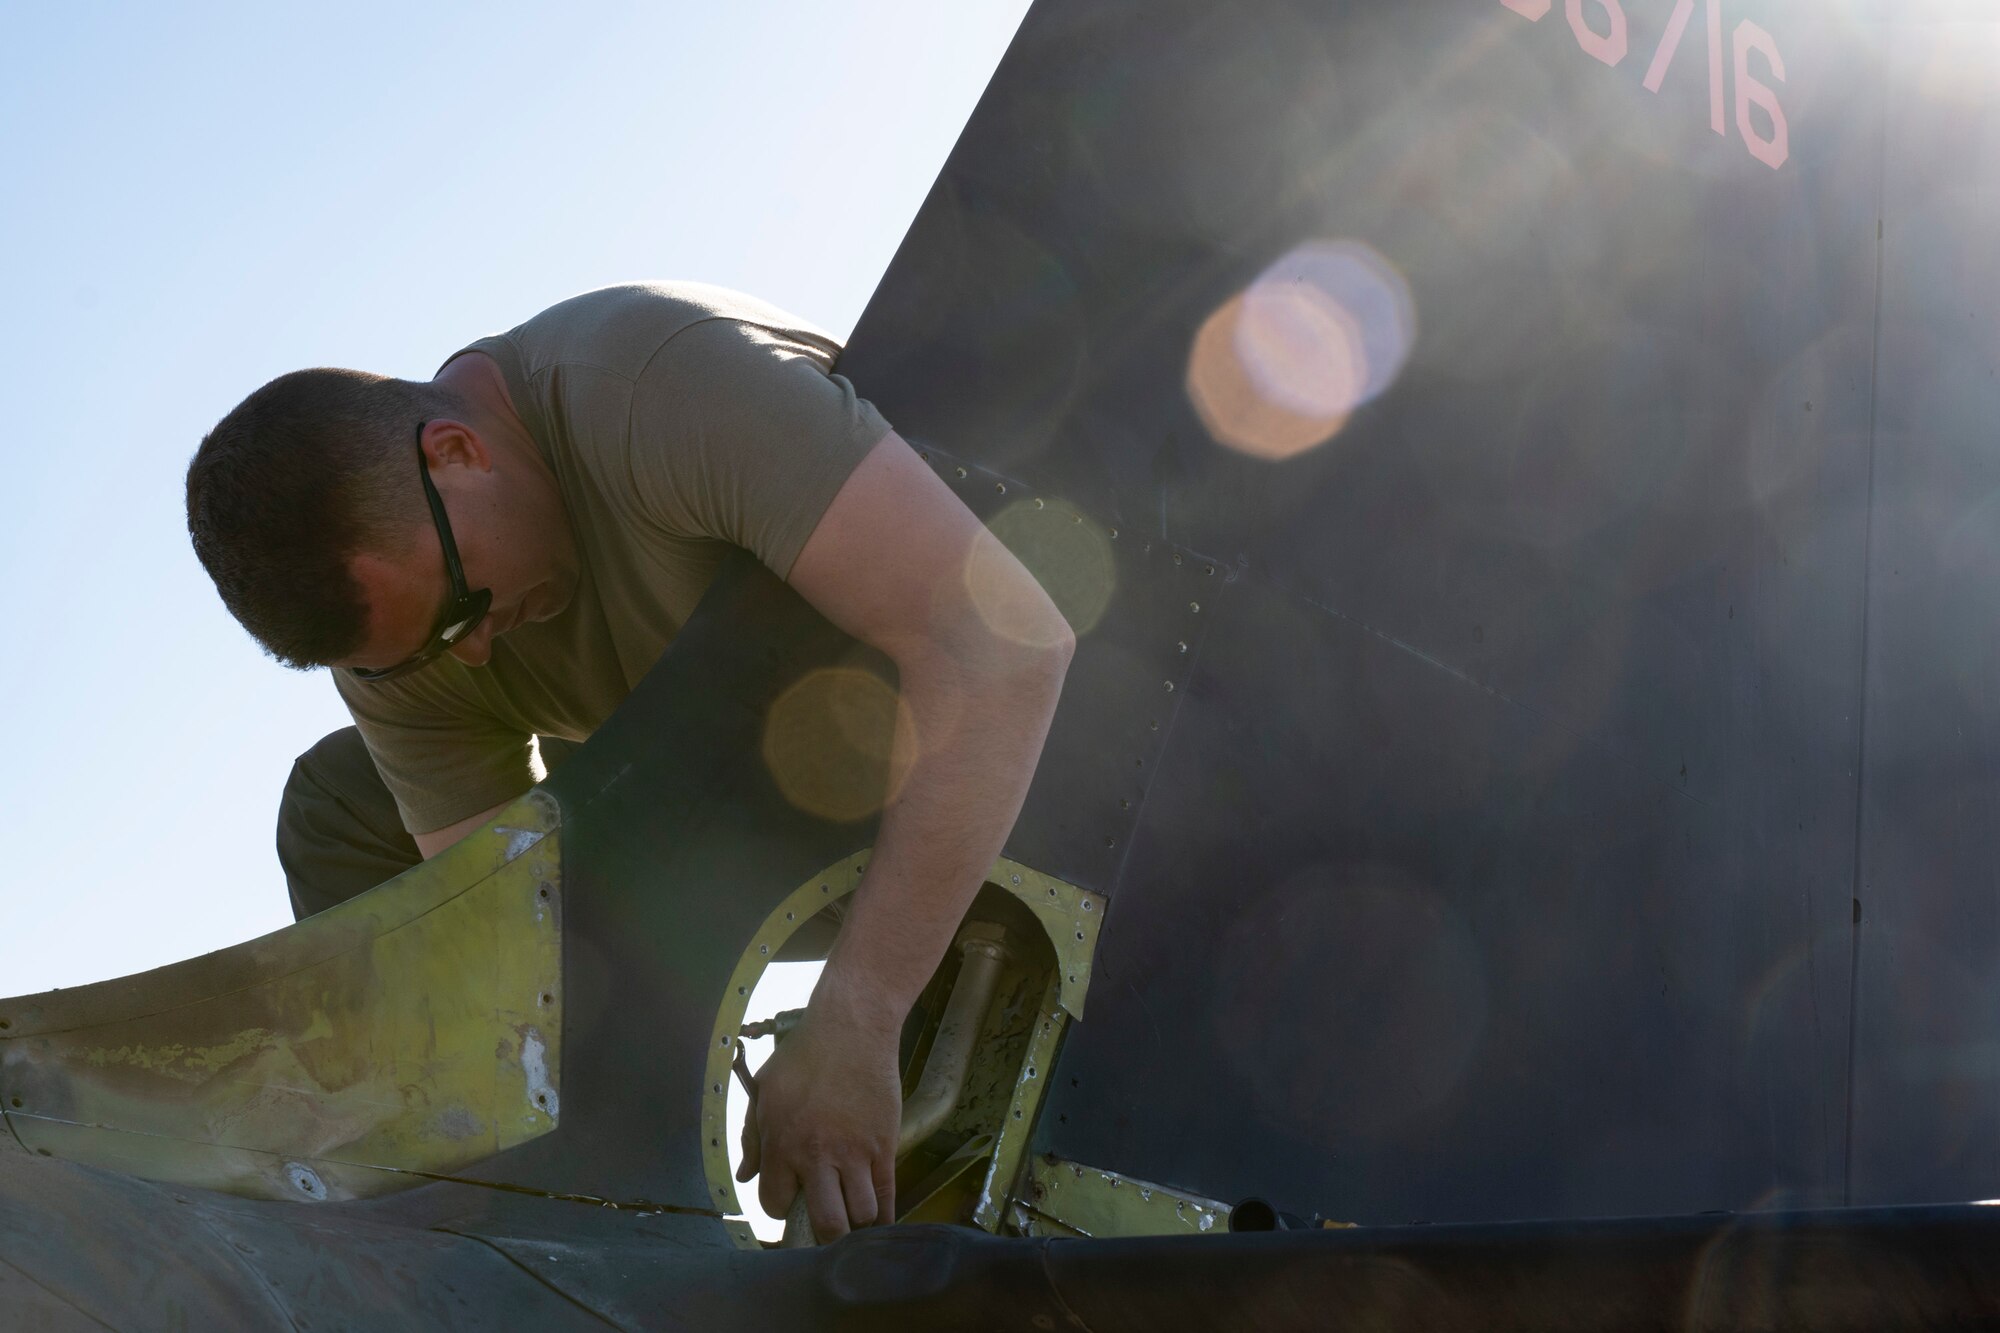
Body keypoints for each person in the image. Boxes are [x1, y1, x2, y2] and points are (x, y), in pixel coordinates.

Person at [184, 280, 1074, 1243]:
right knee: (341, 796)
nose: (472, 655)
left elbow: (1005, 651)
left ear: (457, 452)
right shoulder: (406, 652)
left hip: (946, 766)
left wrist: (855, 1020)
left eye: (459, 610)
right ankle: (493, 1231)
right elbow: (518, 945)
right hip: (700, 826)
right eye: (419, 654)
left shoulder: (654, 384)